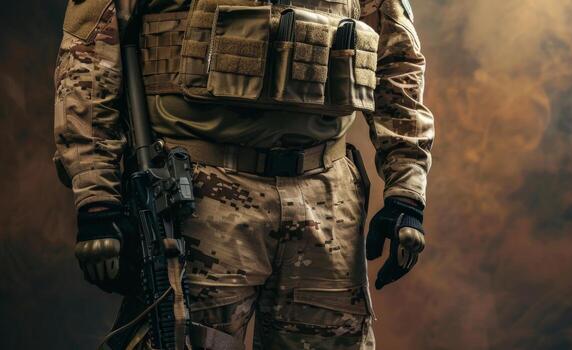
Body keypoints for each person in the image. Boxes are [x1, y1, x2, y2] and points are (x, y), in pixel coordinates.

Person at [54, 0, 434, 348]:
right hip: (197, 196)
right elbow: (88, 63)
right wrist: (98, 201)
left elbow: (397, 66)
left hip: (327, 198)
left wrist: (406, 192)